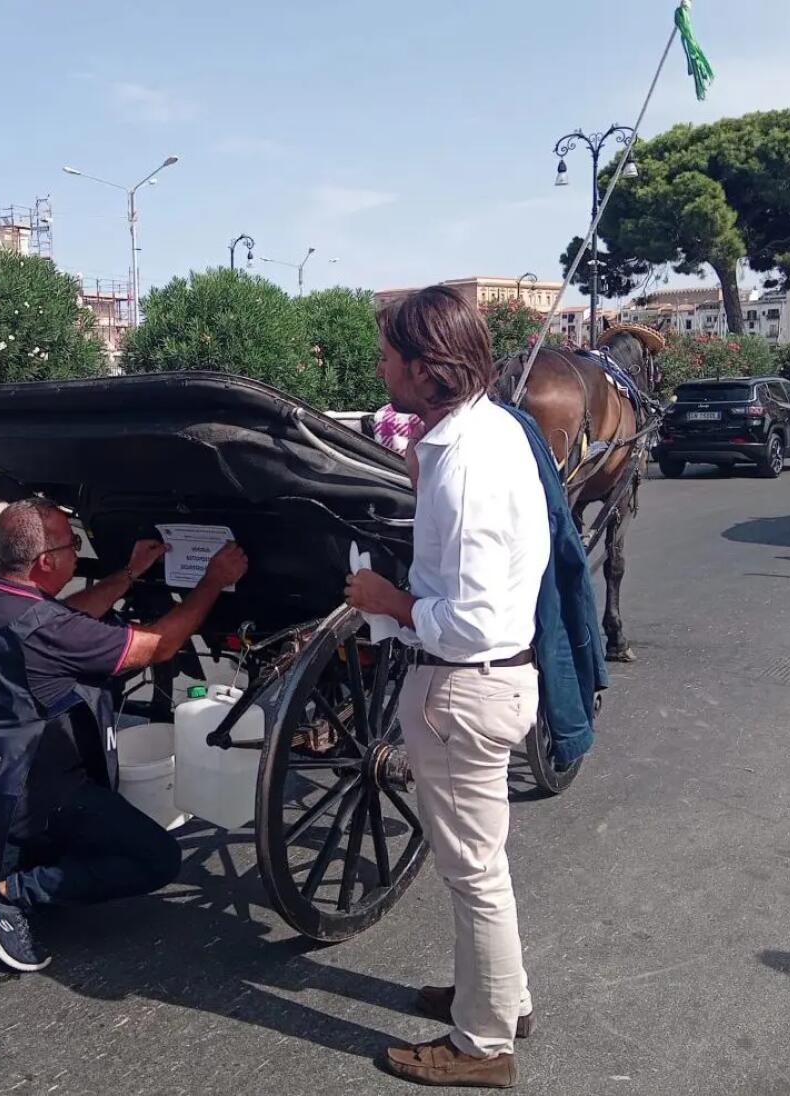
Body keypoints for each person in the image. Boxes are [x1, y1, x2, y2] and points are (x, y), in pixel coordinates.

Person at [344, 286, 549, 1089]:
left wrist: (386, 602)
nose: (382, 363)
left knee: (473, 871)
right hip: (495, 682)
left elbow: (468, 619)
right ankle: (499, 996)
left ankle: (483, 1044)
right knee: (482, 861)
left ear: (427, 369)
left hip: (465, 684)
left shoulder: (462, 465)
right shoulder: (493, 432)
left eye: (392, 353)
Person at [0, 498, 248, 972]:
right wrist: (214, 581)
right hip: (43, 799)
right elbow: (161, 645)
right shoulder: (48, 630)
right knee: (159, 859)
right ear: (47, 561)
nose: (77, 550)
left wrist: (129, 573)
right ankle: (7, 897)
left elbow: (67, 615)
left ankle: (44, 860)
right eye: (72, 543)